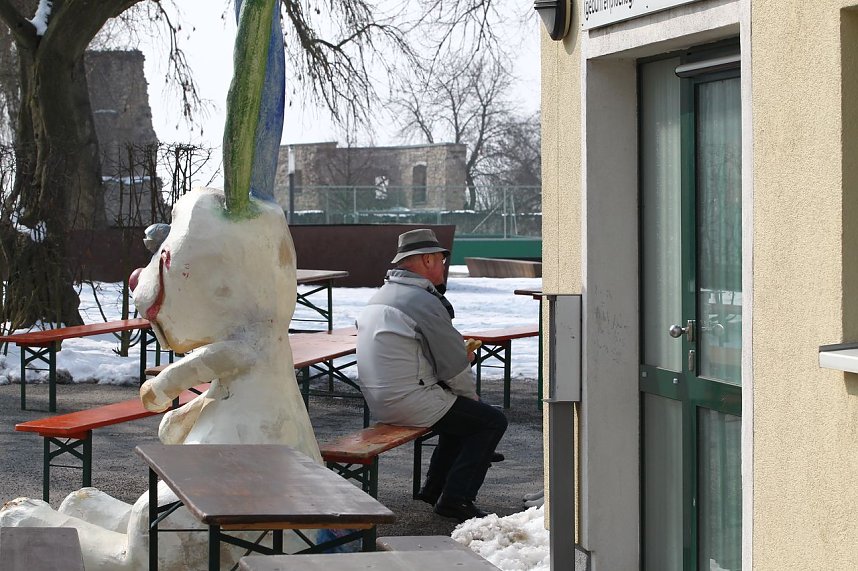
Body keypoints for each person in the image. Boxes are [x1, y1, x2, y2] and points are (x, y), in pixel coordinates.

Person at [355, 228, 508, 522]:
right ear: (426, 260)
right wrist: (471, 394)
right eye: (441, 260)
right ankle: (455, 499)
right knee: (489, 421)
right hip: (408, 400)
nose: (443, 267)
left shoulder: (382, 295)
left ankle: (435, 488)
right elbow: (453, 367)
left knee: (462, 418)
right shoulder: (421, 301)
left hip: (380, 398)